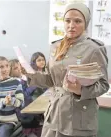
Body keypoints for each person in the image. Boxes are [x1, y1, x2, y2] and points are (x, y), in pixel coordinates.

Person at [27, 3, 109, 137]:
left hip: (78, 119)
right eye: (68, 20)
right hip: (54, 114)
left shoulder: (94, 49)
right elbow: (51, 80)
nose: (71, 25)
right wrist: (29, 75)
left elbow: (103, 85)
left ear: (85, 23)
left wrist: (79, 90)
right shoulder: (56, 46)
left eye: (77, 21)